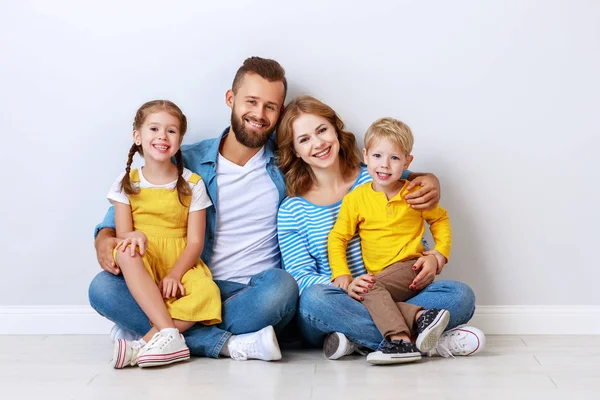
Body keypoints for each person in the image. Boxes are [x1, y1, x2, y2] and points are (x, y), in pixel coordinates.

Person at [89, 57, 298, 362]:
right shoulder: (185, 160)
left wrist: (392, 171)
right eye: (251, 101)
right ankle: (230, 344)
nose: (259, 114)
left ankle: (150, 334)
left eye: (270, 106)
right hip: (176, 284)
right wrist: (104, 240)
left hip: (245, 294)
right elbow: (121, 219)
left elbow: (347, 170)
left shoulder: (288, 167)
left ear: (280, 112)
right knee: (102, 288)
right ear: (231, 99)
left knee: (282, 289)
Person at [276, 96, 485, 361]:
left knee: (460, 295)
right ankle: (425, 335)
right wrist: (347, 284)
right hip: (336, 301)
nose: (318, 143)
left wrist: (434, 255)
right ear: (295, 150)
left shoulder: (377, 173)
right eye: (304, 139)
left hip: (386, 287)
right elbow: (299, 277)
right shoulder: (291, 210)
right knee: (314, 301)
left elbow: (416, 202)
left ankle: (360, 339)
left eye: (321, 130)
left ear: (336, 130)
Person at [107, 100, 221, 368]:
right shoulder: (127, 183)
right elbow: (123, 234)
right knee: (125, 252)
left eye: (171, 131)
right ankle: (170, 334)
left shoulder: (193, 185)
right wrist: (134, 237)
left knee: (208, 292)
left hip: (180, 260)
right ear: (138, 136)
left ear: (180, 139)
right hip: (144, 258)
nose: (162, 136)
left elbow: (195, 241)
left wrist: (175, 274)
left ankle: (143, 344)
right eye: (154, 128)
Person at [328, 117, 452, 364]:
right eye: (377, 156)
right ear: (365, 156)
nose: (384, 165)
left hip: (411, 267)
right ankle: (421, 318)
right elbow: (338, 237)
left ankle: (400, 341)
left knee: (365, 289)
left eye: (394, 158)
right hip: (382, 279)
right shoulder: (356, 199)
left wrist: (439, 254)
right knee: (363, 292)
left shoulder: (414, 193)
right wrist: (341, 273)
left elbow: (440, 220)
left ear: (408, 162)